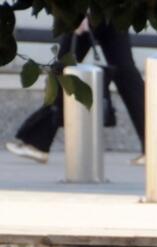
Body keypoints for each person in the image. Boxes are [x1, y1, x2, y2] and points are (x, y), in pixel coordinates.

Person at [5, 16, 145, 165]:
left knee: (61, 73)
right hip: (113, 11)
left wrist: (82, 12)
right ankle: (155, 145)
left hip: (87, 12)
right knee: (126, 75)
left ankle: (38, 143)